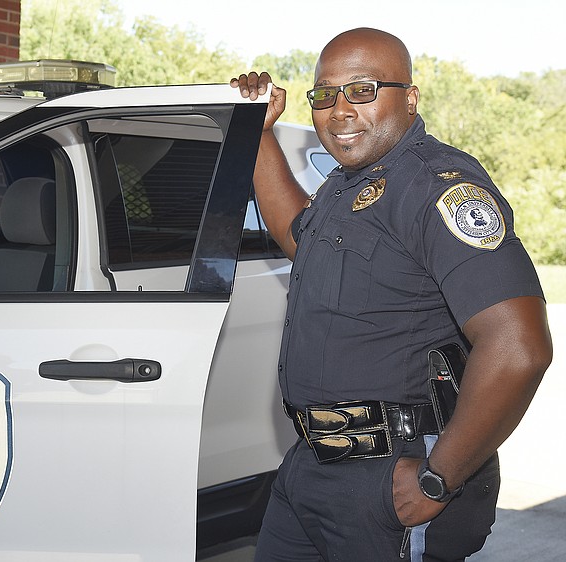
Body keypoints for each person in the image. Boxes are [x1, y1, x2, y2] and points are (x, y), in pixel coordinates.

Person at [231, 28, 553, 561]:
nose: (339, 110)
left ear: (410, 98)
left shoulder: (438, 187)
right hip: (311, 468)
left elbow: (519, 347)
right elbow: (297, 237)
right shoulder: (348, 184)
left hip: (396, 476)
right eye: (325, 94)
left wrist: (438, 477)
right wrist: (261, 133)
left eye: (362, 89)